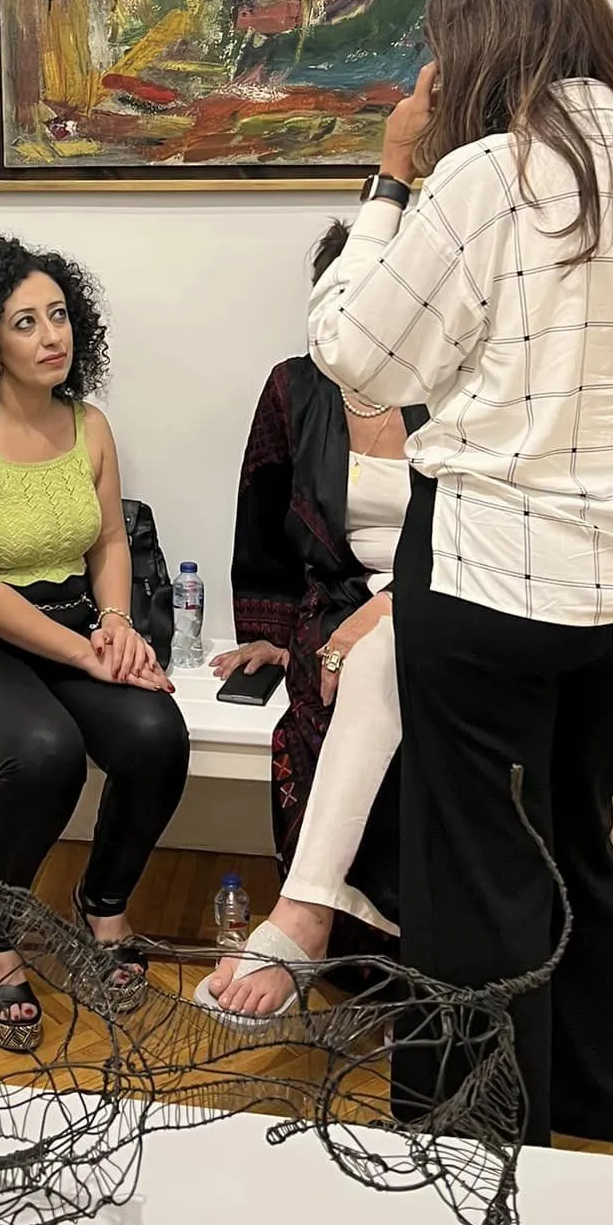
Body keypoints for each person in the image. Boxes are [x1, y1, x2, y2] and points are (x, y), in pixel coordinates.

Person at [307, 0, 613, 1147]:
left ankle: (481, 1144)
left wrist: (388, 179)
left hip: (490, 580)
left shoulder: (477, 178)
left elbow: (357, 356)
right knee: (578, 834)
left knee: (481, 863)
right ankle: (606, 1098)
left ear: (469, 50)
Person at [0, 236, 190, 1052]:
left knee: (157, 736)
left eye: (58, 315)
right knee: (46, 751)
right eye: (25, 322)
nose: (51, 335)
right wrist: (88, 653)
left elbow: (111, 542)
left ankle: (102, 904)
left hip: (72, 626)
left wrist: (117, 625)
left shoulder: (90, 426)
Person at [197, 223, 426, 1022]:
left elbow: (487, 531)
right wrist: (266, 629)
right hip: (333, 603)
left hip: (451, 596)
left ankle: (389, 941)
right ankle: (334, 939)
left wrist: (392, 609)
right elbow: (260, 513)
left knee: (407, 701)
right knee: (317, 707)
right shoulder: (295, 389)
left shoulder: (462, 388)